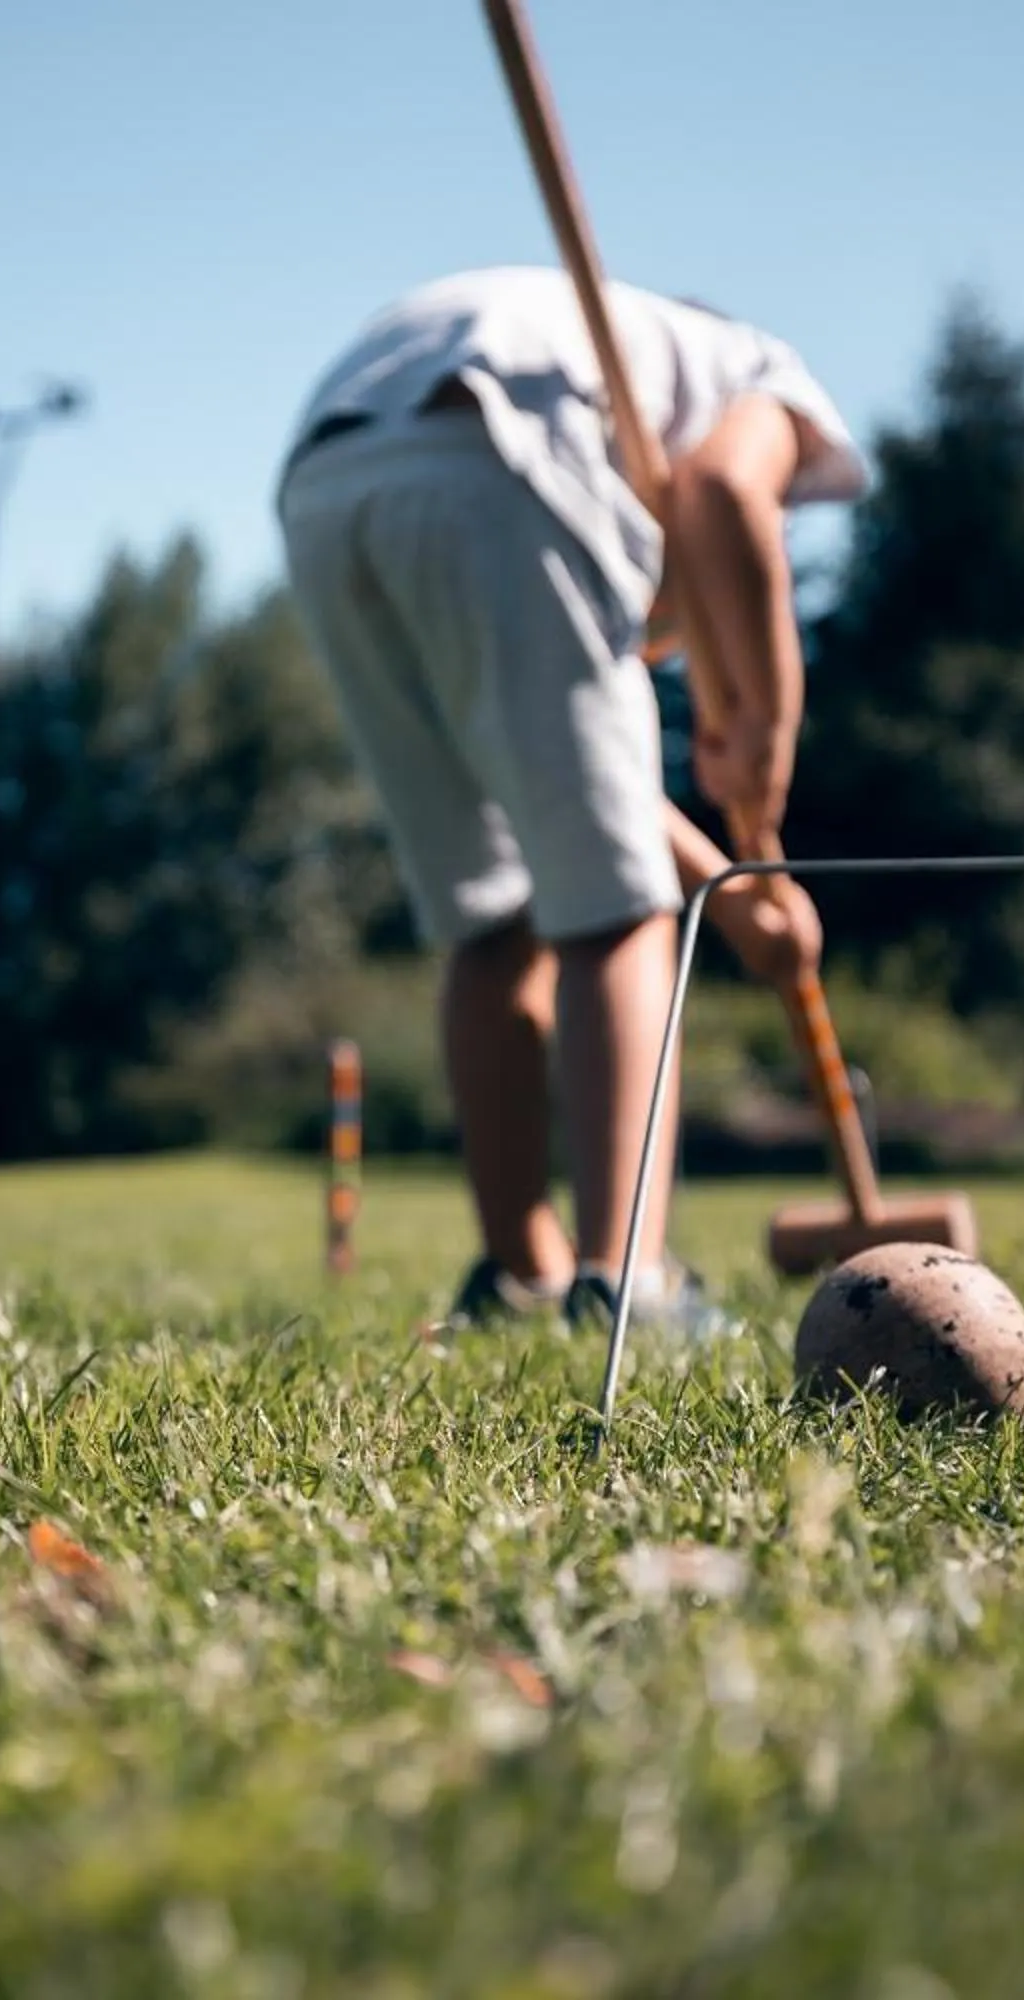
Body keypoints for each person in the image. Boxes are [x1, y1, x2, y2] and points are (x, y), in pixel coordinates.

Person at [272, 265, 870, 1334]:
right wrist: (766, 739)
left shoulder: (620, 355)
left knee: (491, 914)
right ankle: (627, 1277)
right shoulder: (767, 375)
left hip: (330, 477)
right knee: (621, 919)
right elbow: (727, 495)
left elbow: (600, 797)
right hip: (501, 445)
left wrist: (737, 899)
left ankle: (524, 1271)